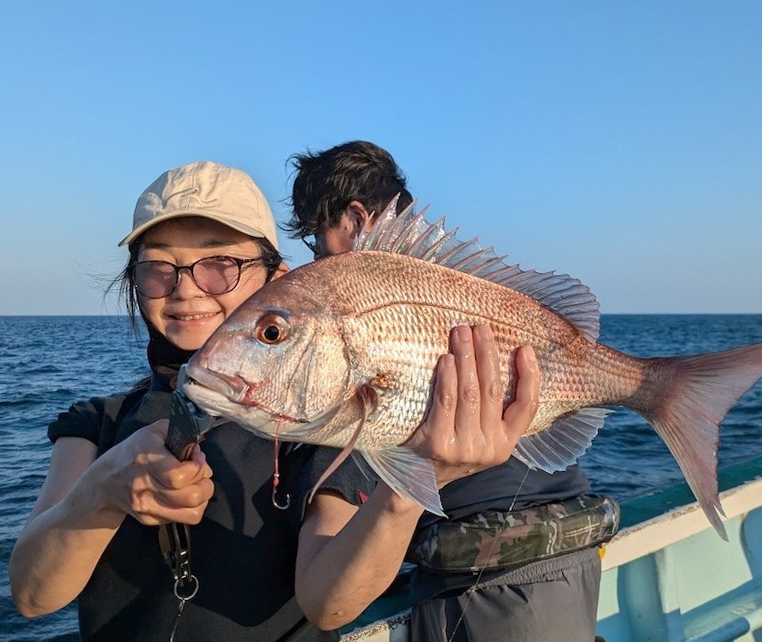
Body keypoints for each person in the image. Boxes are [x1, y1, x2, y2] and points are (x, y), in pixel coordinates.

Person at [9, 160, 541, 641]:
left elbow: (329, 604)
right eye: (158, 267)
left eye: (220, 265)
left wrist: (416, 483)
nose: (186, 289)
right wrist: (103, 489)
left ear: (277, 280)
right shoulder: (98, 423)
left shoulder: (323, 428)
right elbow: (34, 597)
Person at [286, 140, 619, 642]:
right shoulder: (453, 282)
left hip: (491, 588)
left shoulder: (367, 313)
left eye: (316, 240)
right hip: (573, 552)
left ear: (356, 220)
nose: (314, 260)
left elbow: (328, 604)